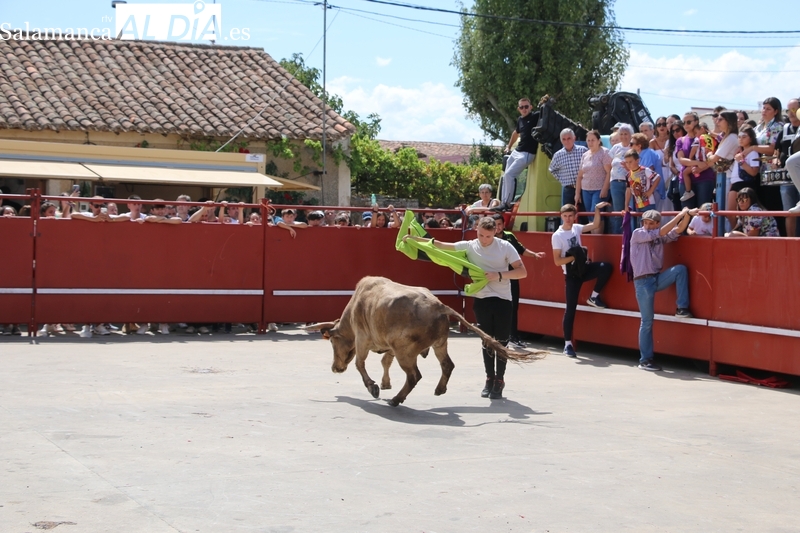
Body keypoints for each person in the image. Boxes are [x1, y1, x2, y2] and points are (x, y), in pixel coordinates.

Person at [403, 216, 526, 400]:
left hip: (503, 299)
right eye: (481, 235)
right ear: (476, 230)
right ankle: (489, 378)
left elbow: (522, 271)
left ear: (495, 233)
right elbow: (442, 246)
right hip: (481, 298)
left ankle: (499, 380)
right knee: (486, 341)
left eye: (488, 236)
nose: (484, 240)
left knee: (501, 341)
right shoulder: (470, 245)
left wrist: (499, 275)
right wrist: (414, 239)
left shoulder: (505, 246)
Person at [630, 209, 694, 372]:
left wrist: (687, 215)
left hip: (655, 279)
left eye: (652, 223)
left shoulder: (658, 235)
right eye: (646, 223)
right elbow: (664, 231)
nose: (648, 226)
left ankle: (681, 308)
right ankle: (645, 360)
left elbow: (678, 230)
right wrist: (681, 214)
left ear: (657, 223)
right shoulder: (638, 233)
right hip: (643, 282)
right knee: (647, 321)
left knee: (680, 270)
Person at [551, 202, 613, 358]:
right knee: (570, 309)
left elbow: (596, 224)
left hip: (583, 268)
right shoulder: (557, 236)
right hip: (571, 274)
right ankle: (567, 344)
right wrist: (575, 256)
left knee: (606, 267)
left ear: (574, 216)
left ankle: (594, 296)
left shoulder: (576, 228)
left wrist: (597, 209)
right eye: (565, 216)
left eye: (570, 216)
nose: (568, 219)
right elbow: (557, 261)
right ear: (561, 216)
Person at [492, 213, 545, 349]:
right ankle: (496, 336)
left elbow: (521, 249)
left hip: (512, 276)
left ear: (503, 225)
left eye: (499, 224)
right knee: (496, 307)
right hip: (495, 278)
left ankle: (513, 336)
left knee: (513, 307)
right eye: (495, 224)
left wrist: (534, 254)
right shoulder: (488, 238)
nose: (497, 227)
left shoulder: (509, 236)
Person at [500, 98, 541, 207]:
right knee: (505, 175)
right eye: (522, 107)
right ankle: (503, 201)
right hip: (517, 151)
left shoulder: (535, 116)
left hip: (527, 153)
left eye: (526, 106)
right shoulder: (520, 120)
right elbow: (515, 133)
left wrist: (545, 102)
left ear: (530, 107)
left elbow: (546, 111)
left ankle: (506, 204)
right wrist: (508, 147)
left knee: (509, 175)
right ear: (519, 109)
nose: (524, 109)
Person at [575, 129, 611, 233]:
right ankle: (593, 238)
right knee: (590, 215)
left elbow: (609, 172)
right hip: (586, 189)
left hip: (599, 189)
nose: (590, 142)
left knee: (596, 212)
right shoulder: (585, 155)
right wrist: (577, 193)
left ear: (598, 141)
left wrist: (605, 189)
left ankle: (598, 238)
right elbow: (580, 176)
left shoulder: (604, 152)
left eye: (593, 140)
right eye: (588, 140)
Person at [677, 112, 715, 208]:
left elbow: (712, 156)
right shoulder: (680, 140)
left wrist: (700, 167)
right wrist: (697, 163)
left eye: (688, 122)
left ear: (696, 122)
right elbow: (681, 159)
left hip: (705, 178)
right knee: (687, 212)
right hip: (685, 179)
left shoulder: (706, 138)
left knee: (703, 211)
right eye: (683, 122)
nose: (685, 125)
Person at [775, 98, 799, 236]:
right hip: (786, 177)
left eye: (794, 109)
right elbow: (777, 150)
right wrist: (776, 160)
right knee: (789, 211)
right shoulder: (784, 129)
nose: (791, 113)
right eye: (788, 110)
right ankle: (791, 241)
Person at [549, 128, 588, 209]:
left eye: (569, 138)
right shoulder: (558, 155)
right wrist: (562, 179)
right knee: (568, 213)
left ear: (574, 138)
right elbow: (552, 169)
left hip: (584, 187)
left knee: (584, 214)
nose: (567, 141)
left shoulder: (583, 150)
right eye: (564, 139)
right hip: (568, 189)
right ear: (561, 141)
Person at [608, 124, 634, 233]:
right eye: (621, 134)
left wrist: (628, 168)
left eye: (626, 134)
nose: (624, 136)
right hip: (616, 182)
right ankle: (617, 237)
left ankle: (631, 236)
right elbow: (609, 164)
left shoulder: (634, 147)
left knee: (630, 210)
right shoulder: (615, 147)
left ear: (631, 135)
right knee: (618, 212)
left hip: (631, 182)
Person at [624, 150, 660, 222]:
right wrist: (626, 204)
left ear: (637, 160)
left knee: (650, 223)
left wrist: (650, 191)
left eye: (630, 162)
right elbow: (628, 190)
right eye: (626, 162)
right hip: (638, 204)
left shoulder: (645, 170)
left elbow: (657, 178)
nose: (628, 164)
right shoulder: (628, 175)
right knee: (641, 225)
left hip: (649, 203)